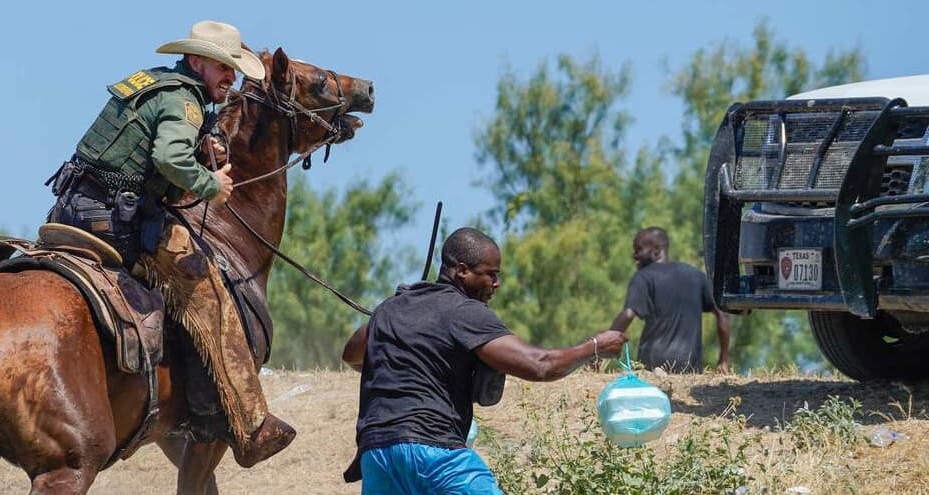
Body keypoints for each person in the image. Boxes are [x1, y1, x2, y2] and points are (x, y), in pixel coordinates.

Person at [44, 20, 293, 468]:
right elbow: (168, 157)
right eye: (223, 67)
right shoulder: (185, 102)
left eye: (233, 70)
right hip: (119, 222)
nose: (230, 78)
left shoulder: (153, 85)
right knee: (211, 291)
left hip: (71, 210)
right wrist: (210, 184)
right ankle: (252, 424)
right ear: (196, 61)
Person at [341, 227, 626, 494]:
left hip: (376, 455)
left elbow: (352, 354)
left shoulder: (390, 308)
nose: (496, 283)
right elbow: (540, 365)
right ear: (462, 271)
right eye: (490, 274)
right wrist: (596, 346)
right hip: (434, 452)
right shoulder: (465, 311)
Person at [609, 226, 732, 374]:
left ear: (656, 250)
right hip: (689, 367)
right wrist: (724, 358)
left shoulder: (644, 276)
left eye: (638, 249)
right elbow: (722, 313)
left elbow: (628, 314)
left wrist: (602, 347)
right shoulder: (696, 276)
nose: (634, 256)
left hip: (652, 363)